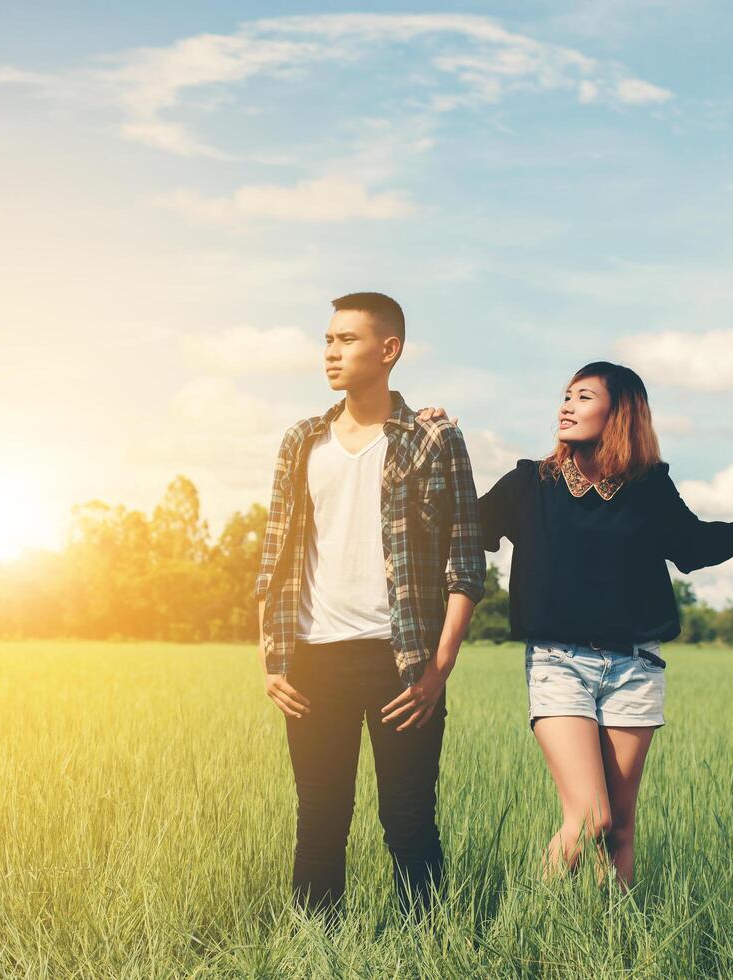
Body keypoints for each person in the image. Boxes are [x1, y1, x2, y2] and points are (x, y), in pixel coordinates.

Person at [423, 360, 733, 888]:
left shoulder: (649, 487)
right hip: (558, 664)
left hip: (636, 665)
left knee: (620, 829)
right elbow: (456, 524)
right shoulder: (528, 483)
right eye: (566, 395)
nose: (566, 405)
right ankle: (530, 921)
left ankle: (619, 940)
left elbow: (699, 547)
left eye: (584, 397)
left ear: (619, 412)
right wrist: (435, 445)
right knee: (591, 817)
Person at [254, 292, 486, 919]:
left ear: (389, 351)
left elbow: (466, 563)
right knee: (320, 820)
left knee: (408, 823)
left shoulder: (434, 438)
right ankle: (315, 952)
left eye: (347, 340)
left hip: (401, 660)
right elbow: (274, 557)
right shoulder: (301, 441)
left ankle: (426, 951)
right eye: (328, 340)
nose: (331, 352)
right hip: (314, 659)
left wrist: (438, 668)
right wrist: (272, 659)